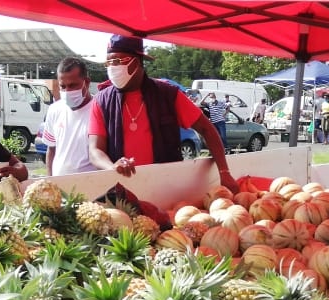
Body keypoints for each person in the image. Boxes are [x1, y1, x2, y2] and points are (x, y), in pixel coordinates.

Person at [88, 35, 237, 192]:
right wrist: (112, 167)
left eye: (118, 61)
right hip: (123, 191)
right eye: (109, 63)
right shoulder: (101, 101)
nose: (112, 68)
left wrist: (224, 173)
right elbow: (95, 150)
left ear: (136, 62)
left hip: (166, 189)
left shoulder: (168, 95)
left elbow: (207, 129)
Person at [43, 57, 96, 176]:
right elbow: (51, 149)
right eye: (63, 87)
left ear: (86, 83)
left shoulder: (99, 109)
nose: (67, 91)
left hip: (92, 188)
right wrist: (50, 179)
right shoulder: (54, 110)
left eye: (73, 85)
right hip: (60, 189)